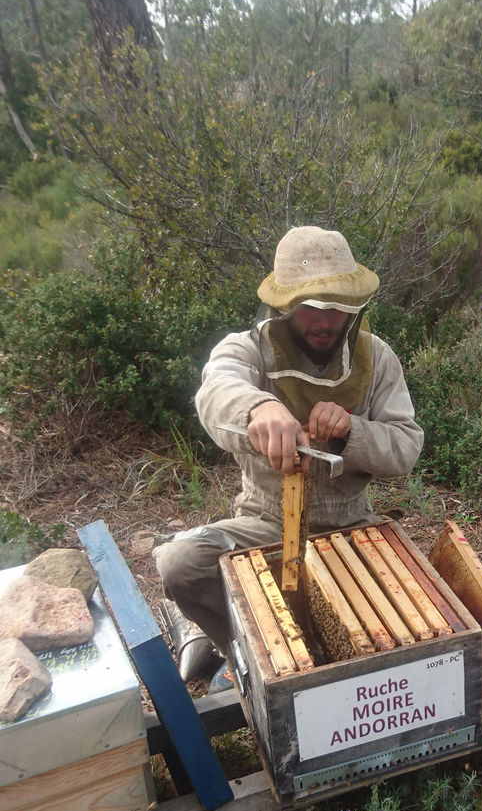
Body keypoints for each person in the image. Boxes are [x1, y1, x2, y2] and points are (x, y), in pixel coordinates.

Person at [155, 225, 424, 671]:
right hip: (265, 521)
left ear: (353, 303)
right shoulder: (248, 350)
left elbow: (406, 448)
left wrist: (350, 431)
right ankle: (244, 655)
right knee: (182, 563)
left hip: (350, 522)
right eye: (308, 307)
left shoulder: (378, 358)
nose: (323, 320)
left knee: (412, 602)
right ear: (284, 304)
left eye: (335, 307)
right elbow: (216, 387)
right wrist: (258, 408)